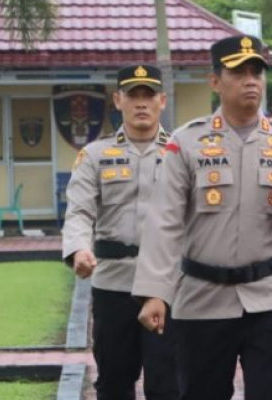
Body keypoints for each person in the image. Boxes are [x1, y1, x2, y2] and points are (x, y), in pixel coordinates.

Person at [132, 35, 272, 400]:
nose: (251, 81)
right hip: (203, 300)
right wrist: (155, 293)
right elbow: (164, 220)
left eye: (257, 73)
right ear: (215, 81)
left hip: (269, 296)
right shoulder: (187, 142)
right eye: (239, 73)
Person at [62, 64, 178, 400]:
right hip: (113, 286)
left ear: (162, 100)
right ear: (117, 100)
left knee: (168, 386)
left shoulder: (180, 154)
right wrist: (79, 249)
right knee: (113, 383)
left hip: (167, 285)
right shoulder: (95, 155)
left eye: (149, 95)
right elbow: (79, 211)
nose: (141, 102)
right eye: (133, 94)